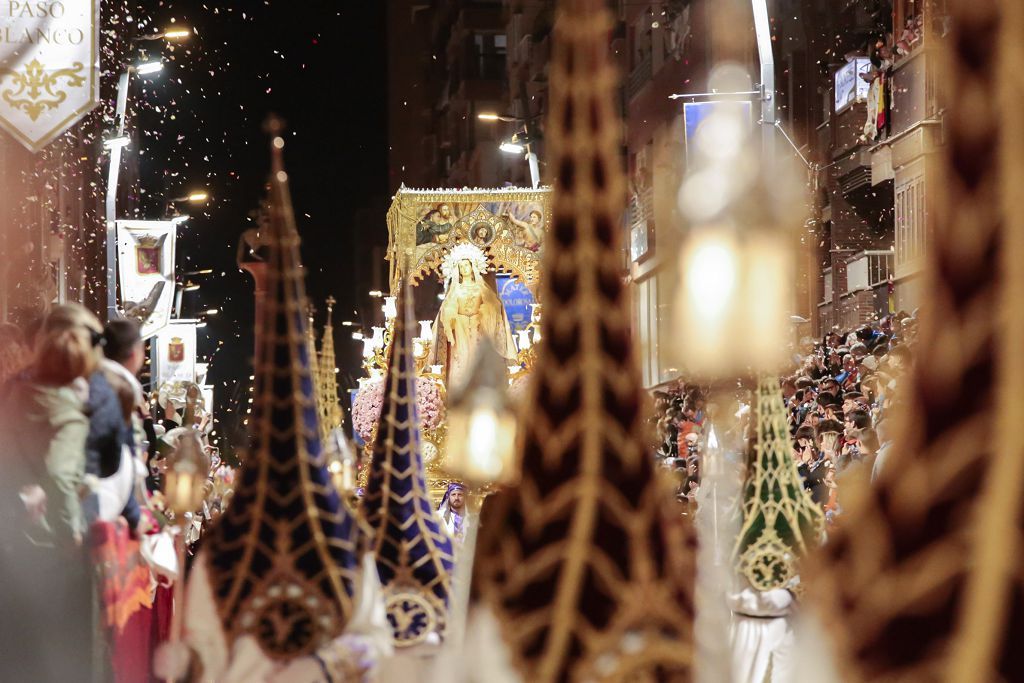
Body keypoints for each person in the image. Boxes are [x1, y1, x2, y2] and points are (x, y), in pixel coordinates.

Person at [0, 303, 102, 681]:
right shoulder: (68, 414)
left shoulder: (16, 395)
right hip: (47, 553)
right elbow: (60, 478)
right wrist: (71, 534)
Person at [429, 243, 517, 388]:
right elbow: (445, 310)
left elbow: (494, 306)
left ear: (472, 267)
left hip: (479, 329)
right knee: (460, 362)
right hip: (460, 330)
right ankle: (459, 394)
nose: (464, 269)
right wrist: (451, 316)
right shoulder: (455, 290)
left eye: (467, 265)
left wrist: (485, 313)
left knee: (479, 359)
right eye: (461, 266)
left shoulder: (480, 288)